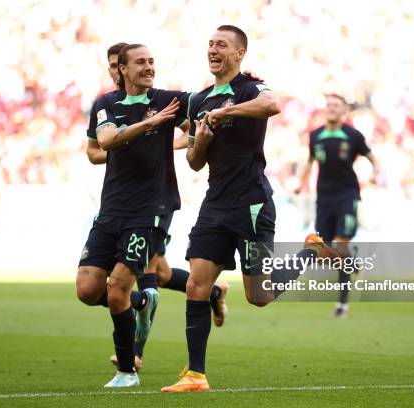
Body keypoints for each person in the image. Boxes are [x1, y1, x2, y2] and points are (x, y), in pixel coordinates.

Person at [161, 25, 341, 393]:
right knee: (197, 286)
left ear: (239, 53)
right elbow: (195, 161)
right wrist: (201, 142)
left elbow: (272, 105)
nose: (213, 49)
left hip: (253, 205)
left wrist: (228, 114)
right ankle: (195, 375)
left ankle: (310, 250)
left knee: (259, 296)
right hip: (215, 205)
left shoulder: (250, 88)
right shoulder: (198, 100)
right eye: (210, 44)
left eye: (221, 45)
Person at [83, 43, 230, 374]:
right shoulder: (106, 104)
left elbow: (203, 109)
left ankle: (133, 357)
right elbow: (96, 150)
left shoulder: (166, 100)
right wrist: (136, 140)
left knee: (142, 280)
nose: (148, 67)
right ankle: (213, 291)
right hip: (116, 205)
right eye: (140, 62)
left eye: (151, 61)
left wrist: (170, 140)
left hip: (153, 206)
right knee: (159, 275)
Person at [295, 93, 379, 318]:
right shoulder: (315, 135)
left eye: (336, 106)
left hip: (346, 195)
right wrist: (300, 184)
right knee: (326, 252)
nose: (331, 108)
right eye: (329, 105)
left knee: (341, 245)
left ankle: (342, 305)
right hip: (324, 198)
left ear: (344, 111)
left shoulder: (353, 136)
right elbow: (310, 161)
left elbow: (373, 159)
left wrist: (375, 175)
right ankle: (352, 264)